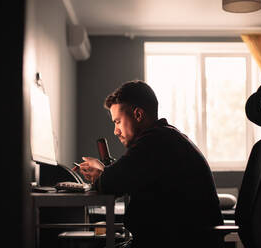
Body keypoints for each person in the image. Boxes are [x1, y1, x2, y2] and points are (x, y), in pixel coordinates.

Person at [75, 80, 224, 247]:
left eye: (117, 122)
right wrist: (106, 172)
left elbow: (111, 183)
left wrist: (100, 174)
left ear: (138, 115)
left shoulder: (154, 142)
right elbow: (125, 174)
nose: (116, 131)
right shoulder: (165, 137)